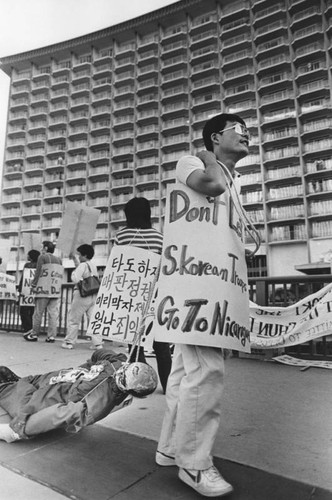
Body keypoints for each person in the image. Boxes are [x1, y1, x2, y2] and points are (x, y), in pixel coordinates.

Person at [156, 113, 252, 497]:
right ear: (216, 137)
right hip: (195, 287)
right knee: (206, 369)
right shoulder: (193, 163)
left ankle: (170, 448)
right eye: (239, 130)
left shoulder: (234, 180)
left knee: (184, 371)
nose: (246, 135)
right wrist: (210, 156)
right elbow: (209, 186)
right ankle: (194, 465)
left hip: (209, 285)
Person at [0, 349, 158, 443]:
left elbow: (58, 414)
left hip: (41, 397)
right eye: (124, 368)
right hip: (49, 383)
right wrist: (87, 366)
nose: (120, 370)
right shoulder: (116, 363)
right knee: (18, 384)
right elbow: (99, 354)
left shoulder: (97, 403)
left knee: (13, 392)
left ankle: (10, 386)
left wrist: (17, 430)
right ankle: (13, 385)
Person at [114, 197, 172, 394]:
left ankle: (141, 383)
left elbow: (118, 266)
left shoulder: (121, 236)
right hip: (155, 296)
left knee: (135, 342)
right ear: (148, 214)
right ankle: (167, 386)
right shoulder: (158, 237)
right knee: (162, 346)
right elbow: (165, 268)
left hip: (131, 295)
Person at [62, 244, 103, 350]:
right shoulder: (93, 266)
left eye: (80, 255)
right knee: (93, 319)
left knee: (74, 319)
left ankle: (69, 342)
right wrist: (75, 262)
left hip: (82, 295)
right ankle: (97, 343)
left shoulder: (83, 265)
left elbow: (75, 279)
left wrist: (73, 273)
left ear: (84, 255)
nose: (79, 257)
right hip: (93, 295)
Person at [24, 241, 63, 342]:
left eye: (42, 247)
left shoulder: (42, 257)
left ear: (45, 248)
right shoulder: (59, 260)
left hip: (43, 289)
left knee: (38, 313)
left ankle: (34, 334)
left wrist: (33, 284)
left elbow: (38, 271)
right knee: (53, 314)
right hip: (55, 290)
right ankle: (51, 336)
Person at [17, 249, 40, 335]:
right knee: (33, 311)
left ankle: (27, 328)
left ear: (31, 257)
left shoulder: (27, 265)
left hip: (26, 291)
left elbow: (23, 279)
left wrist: (19, 290)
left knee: (24, 311)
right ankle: (33, 329)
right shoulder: (39, 266)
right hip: (35, 291)